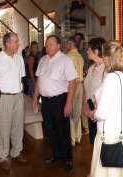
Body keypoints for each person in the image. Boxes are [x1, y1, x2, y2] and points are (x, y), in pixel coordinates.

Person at [84, 40, 123, 177]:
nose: (103, 59)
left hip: (110, 133)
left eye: (103, 56)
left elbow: (102, 114)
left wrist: (92, 113)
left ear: (108, 57)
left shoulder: (112, 78)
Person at [32, 35, 77, 173]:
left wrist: (68, 103)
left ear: (58, 46)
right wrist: (35, 96)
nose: (48, 47)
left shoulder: (65, 60)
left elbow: (72, 81)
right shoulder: (43, 59)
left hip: (60, 100)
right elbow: (39, 79)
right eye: (46, 44)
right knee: (50, 129)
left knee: (63, 130)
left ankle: (68, 159)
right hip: (45, 101)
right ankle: (56, 154)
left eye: (51, 44)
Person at [0, 33, 27, 172]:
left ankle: (16, 152)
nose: (19, 43)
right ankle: (3, 157)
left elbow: (22, 77)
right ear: (7, 44)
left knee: (18, 126)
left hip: (18, 97)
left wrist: (20, 88)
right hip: (3, 98)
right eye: (16, 41)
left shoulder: (20, 58)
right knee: (3, 128)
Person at [83, 37, 106, 145]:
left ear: (96, 51)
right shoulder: (91, 68)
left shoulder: (106, 69)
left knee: (101, 142)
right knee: (93, 141)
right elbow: (86, 87)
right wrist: (85, 105)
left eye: (89, 49)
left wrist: (95, 110)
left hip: (99, 111)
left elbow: (106, 92)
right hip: (90, 109)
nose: (87, 51)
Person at [65, 36, 84, 147]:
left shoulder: (67, 57)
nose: (65, 45)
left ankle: (71, 140)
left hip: (70, 86)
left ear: (71, 44)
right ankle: (78, 137)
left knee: (69, 113)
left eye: (67, 43)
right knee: (77, 113)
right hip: (80, 85)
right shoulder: (80, 56)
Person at [74, 32, 92, 136]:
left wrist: (86, 70)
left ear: (82, 41)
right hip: (77, 80)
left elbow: (93, 63)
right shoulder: (76, 51)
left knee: (84, 102)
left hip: (85, 79)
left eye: (77, 39)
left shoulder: (85, 52)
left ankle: (86, 127)